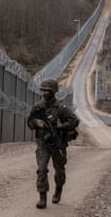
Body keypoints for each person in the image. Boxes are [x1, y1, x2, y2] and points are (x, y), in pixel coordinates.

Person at [27, 77, 79, 209]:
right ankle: (42, 197)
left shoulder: (61, 108)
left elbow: (74, 121)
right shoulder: (38, 107)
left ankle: (58, 189)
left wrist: (61, 126)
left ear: (53, 91)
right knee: (42, 170)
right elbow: (30, 122)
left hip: (58, 144)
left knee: (59, 170)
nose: (44, 93)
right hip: (43, 144)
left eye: (47, 91)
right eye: (43, 90)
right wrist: (37, 123)